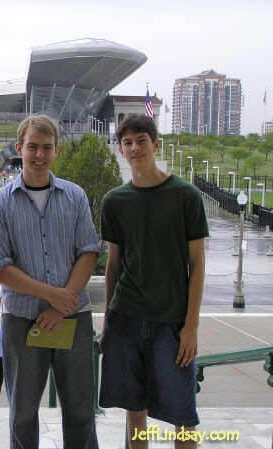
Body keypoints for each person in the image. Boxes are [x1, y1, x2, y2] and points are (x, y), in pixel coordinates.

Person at [0, 114, 100, 449]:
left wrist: (61, 307)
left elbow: (89, 252)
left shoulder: (75, 196)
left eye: (46, 147)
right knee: (22, 413)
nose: (39, 154)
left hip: (73, 318)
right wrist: (52, 297)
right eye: (32, 146)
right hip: (22, 320)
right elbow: (0, 267)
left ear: (56, 150)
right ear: (19, 148)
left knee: (80, 412)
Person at [99, 114, 208, 449]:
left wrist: (190, 326)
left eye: (141, 140)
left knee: (183, 416)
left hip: (171, 324)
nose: (135, 148)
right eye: (127, 143)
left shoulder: (186, 196)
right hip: (126, 318)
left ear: (155, 144)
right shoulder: (114, 201)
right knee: (134, 410)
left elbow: (198, 265)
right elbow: (114, 265)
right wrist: (108, 318)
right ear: (120, 150)